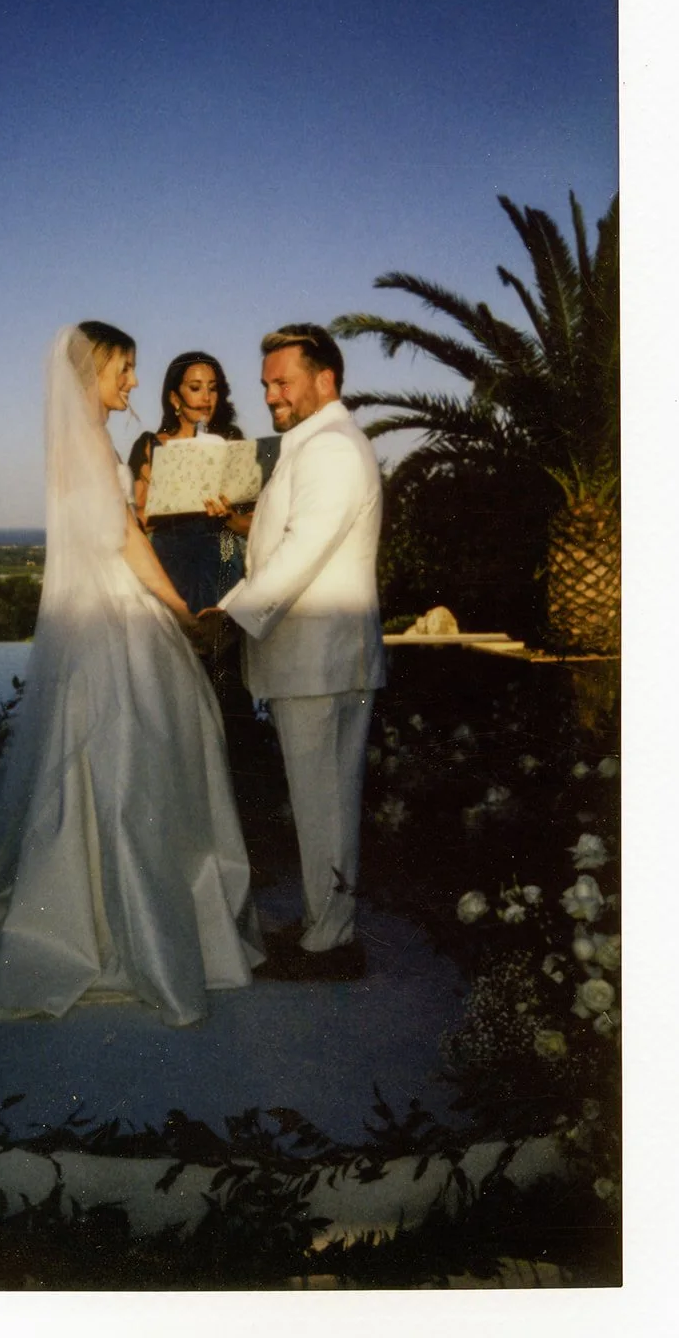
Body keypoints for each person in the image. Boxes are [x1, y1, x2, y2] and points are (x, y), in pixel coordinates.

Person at [0, 322, 262, 1027]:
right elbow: (123, 536)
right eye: (126, 368)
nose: (134, 382)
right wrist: (180, 611)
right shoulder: (89, 442)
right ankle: (137, 936)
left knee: (105, 767)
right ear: (95, 371)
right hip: (114, 613)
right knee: (136, 767)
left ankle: (96, 918)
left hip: (91, 613)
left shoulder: (84, 441)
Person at [200, 324, 385, 981]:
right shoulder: (316, 444)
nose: (271, 395)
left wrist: (228, 618)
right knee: (321, 804)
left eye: (283, 382)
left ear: (325, 380)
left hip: (321, 659)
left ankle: (330, 946)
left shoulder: (331, 448)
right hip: (317, 658)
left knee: (324, 804)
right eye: (266, 385)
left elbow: (302, 550)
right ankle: (323, 929)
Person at [128, 351, 250, 614]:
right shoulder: (151, 446)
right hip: (169, 562)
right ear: (174, 398)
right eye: (195, 388)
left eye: (213, 389)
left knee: (220, 641)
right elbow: (134, 518)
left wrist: (227, 515)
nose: (206, 398)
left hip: (222, 557)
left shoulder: (232, 443)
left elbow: (252, 522)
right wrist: (171, 503)